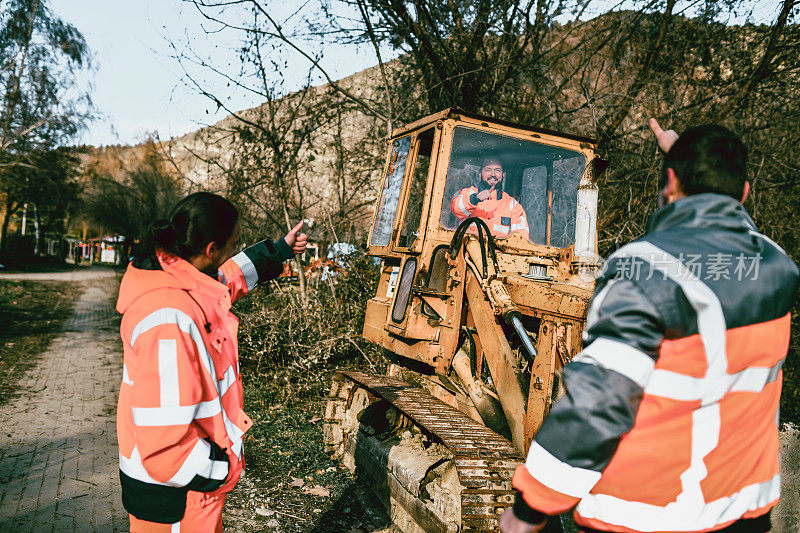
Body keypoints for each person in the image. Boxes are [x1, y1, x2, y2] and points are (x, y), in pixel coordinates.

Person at [500, 120, 799, 533]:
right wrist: (688, 162)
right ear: (744, 194)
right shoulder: (773, 265)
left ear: (671, 181)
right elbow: (725, 239)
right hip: (743, 510)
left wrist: (531, 508)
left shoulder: (644, 273)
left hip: (650, 515)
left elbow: (596, 406)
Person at [115, 192, 307, 532]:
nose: (232, 252)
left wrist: (280, 249)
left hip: (190, 484)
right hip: (177, 492)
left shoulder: (177, 274)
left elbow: (228, 278)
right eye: (232, 245)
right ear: (210, 249)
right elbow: (164, 448)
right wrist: (226, 470)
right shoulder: (168, 320)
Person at [450, 158, 530, 240]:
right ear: (480, 173)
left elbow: (521, 238)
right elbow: (455, 208)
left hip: (498, 252)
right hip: (466, 250)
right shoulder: (466, 193)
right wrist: (474, 199)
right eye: (488, 170)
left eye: (497, 170)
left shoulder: (512, 204)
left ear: (503, 174)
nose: (493, 174)